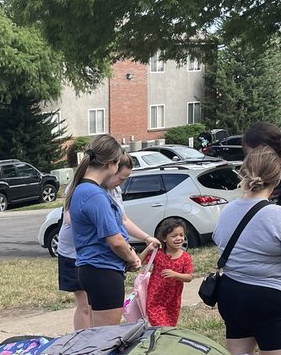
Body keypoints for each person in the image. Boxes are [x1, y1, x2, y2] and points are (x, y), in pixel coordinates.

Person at [213, 146, 281, 355]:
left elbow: (219, 242)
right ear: (278, 178)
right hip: (269, 297)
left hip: (231, 294)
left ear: (243, 173)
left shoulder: (226, 210)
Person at [68, 134, 159, 326]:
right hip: (103, 271)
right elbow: (115, 241)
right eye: (117, 163)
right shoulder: (94, 194)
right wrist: (131, 257)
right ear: (110, 163)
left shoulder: (84, 189)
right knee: (107, 336)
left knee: (98, 333)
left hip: (93, 270)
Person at [55, 168, 91, 330]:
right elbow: (70, 219)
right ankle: (83, 340)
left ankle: (94, 339)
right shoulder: (76, 187)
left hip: (90, 252)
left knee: (92, 304)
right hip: (71, 254)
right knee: (85, 304)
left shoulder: (108, 187)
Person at [145, 217, 194, 327]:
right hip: (155, 300)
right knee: (161, 327)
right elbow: (141, 261)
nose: (179, 238)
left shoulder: (185, 257)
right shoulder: (158, 254)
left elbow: (189, 277)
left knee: (170, 328)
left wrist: (175, 275)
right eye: (174, 236)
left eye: (181, 235)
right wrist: (148, 249)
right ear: (164, 238)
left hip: (173, 301)